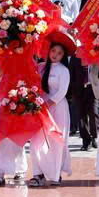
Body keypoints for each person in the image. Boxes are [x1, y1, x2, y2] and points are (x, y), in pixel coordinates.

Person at [28, 31, 73, 187]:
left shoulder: (63, 70)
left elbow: (62, 91)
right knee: (35, 142)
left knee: (56, 141)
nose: (55, 55)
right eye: (53, 51)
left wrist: (49, 103)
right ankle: (37, 174)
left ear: (63, 56)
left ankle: (55, 175)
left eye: (59, 53)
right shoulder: (40, 67)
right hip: (40, 108)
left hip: (57, 108)